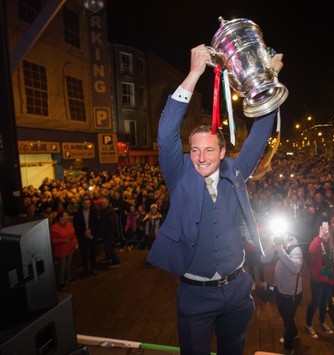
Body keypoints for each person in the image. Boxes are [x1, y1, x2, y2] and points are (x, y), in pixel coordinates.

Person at [146, 44, 284, 354]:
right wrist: (195, 73)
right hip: (196, 295)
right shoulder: (179, 173)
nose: (201, 157)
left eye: (209, 150)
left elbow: (261, 131)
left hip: (237, 290)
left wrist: (268, 77)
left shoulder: (236, 170)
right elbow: (167, 132)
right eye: (194, 149)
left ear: (222, 153)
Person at [261, 227, 303, 355]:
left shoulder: (295, 248)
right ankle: (295, 334)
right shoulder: (278, 244)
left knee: (288, 319)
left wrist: (280, 251)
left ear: (288, 234)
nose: (278, 234)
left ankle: (289, 347)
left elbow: (295, 268)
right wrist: (269, 245)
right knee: (285, 316)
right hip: (280, 289)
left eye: (281, 232)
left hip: (292, 294)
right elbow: (264, 259)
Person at [304, 221, 334, 339]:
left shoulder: (333, 241)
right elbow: (312, 250)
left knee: (324, 302)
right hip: (318, 278)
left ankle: (322, 322)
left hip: (329, 278)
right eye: (324, 231)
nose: (326, 234)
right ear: (320, 231)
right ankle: (308, 324)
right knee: (315, 302)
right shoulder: (317, 241)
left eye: (327, 231)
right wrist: (319, 237)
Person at [50, 210, 79, 289]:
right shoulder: (55, 227)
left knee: (68, 265)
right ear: (60, 217)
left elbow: (73, 235)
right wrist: (64, 240)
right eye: (66, 215)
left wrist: (76, 243)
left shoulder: (68, 225)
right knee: (62, 266)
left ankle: (68, 278)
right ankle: (61, 282)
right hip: (61, 250)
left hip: (70, 248)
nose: (67, 217)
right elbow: (53, 240)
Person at [74, 196, 100, 276]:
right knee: (84, 253)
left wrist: (90, 230)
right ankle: (85, 269)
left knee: (93, 252)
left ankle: (93, 268)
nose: (87, 205)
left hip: (92, 234)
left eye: (88, 203)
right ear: (82, 204)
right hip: (83, 235)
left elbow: (96, 223)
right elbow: (76, 225)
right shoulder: (77, 213)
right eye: (85, 203)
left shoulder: (94, 212)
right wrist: (84, 231)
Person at [97, 195, 120, 268]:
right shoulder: (103, 210)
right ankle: (108, 257)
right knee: (106, 246)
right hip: (105, 232)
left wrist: (108, 232)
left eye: (105, 203)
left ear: (108, 203)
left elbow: (112, 224)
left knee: (109, 247)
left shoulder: (110, 212)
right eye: (102, 203)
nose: (103, 204)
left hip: (109, 233)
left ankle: (115, 261)